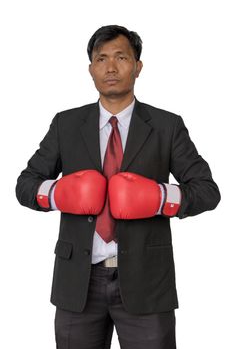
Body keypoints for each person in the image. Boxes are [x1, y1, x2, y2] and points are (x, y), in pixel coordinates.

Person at [15, 25, 221, 349]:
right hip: (77, 283)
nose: (111, 67)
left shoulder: (167, 126)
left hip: (147, 282)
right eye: (101, 59)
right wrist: (57, 193)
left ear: (138, 66)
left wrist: (160, 197)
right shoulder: (66, 124)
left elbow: (207, 190)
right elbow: (25, 185)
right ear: (91, 69)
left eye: (121, 57)